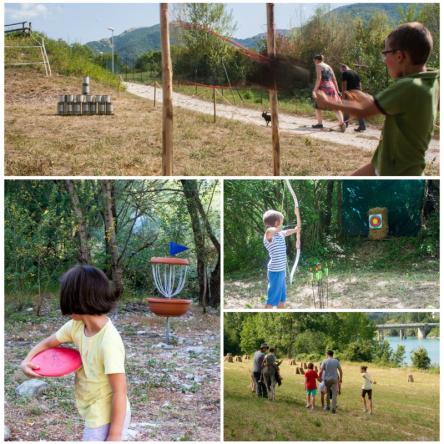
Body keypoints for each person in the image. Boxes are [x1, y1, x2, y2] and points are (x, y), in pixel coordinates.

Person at [20, 265, 130, 441]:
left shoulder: (109, 341)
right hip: (92, 406)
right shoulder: (77, 326)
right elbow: (47, 343)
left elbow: (120, 391)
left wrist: (114, 435)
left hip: (107, 412)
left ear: (78, 300)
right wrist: (27, 360)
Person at [315, 22, 439, 176]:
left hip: (397, 171)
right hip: (388, 162)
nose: (384, 60)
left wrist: (327, 102)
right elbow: (397, 106)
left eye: (385, 53)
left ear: (400, 56)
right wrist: (369, 99)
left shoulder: (408, 86)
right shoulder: (430, 80)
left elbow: (364, 111)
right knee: (347, 182)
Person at [263, 209, 300, 309]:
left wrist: (295, 230)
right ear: (276, 223)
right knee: (271, 299)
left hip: (281, 271)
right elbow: (269, 231)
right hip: (275, 272)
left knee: (282, 299)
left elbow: (286, 232)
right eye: (281, 222)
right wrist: (278, 228)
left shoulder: (280, 234)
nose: (282, 224)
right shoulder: (269, 236)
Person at [312, 54, 346, 132]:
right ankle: (342, 123)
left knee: (317, 106)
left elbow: (319, 78)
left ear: (316, 60)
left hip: (323, 87)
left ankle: (319, 123)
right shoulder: (329, 67)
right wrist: (337, 91)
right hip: (331, 87)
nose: (314, 62)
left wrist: (314, 90)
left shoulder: (318, 66)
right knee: (335, 107)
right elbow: (334, 79)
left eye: (314, 60)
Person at [340, 64, 366, 132]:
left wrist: (343, 95)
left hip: (350, 93)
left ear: (344, 68)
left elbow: (344, 84)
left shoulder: (345, 73)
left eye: (341, 70)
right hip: (358, 92)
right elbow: (360, 84)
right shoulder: (355, 73)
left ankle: (345, 124)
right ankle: (362, 125)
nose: (341, 72)